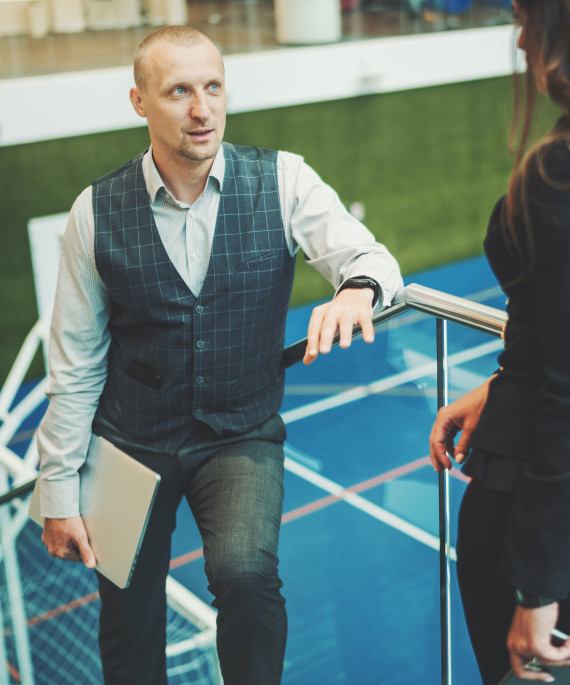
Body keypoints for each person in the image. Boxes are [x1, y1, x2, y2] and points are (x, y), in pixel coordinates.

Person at [35, 25, 402, 685]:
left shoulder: (285, 180)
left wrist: (358, 288)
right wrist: (57, 488)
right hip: (127, 439)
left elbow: (372, 257)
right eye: (179, 91)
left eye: (212, 87)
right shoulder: (93, 212)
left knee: (246, 570)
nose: (201, 108)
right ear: (139, 101)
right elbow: (75, 363)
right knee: (126, 614)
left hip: (239, 432)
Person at [429, 0, 570, 682]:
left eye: (525, 18)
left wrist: (537, 589)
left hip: (529, 516)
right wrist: (502, 382)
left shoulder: (555, 176)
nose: (519, 39)